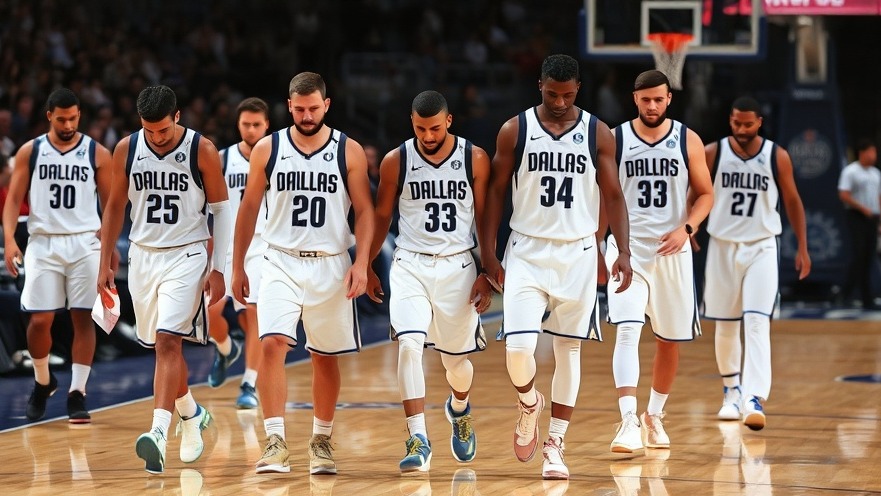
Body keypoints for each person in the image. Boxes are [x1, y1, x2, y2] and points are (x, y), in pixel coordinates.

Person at [482, 54, 633, 479]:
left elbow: (614, 195)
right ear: (540, 86)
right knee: (517, 350)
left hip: (579, 252)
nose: (560, 102)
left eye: (567, 95)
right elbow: (495, 192)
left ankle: (556, 443)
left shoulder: (597, 132)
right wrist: (488, 252)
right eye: (552, 94)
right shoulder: (516, 129)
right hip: (527, 250)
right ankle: (529, 403)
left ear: (578, 90)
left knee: (569, 350)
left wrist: (622, 250)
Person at [231, 72, 375, 475]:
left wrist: (362, 262)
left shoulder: (348, 150)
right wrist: (238, 263)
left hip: (331, 262)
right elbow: (247, 210)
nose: (307, 115)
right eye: (299, 109)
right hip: (279, 259)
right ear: (288, 105)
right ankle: (275, 440)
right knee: (273, 342)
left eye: (313, 108)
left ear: (326, 105)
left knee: (323, 357)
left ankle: (321, 440)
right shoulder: (268, 148)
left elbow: (364, 210)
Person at [97, 85, 232, 474]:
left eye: (163, 130)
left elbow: (222, 212)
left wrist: (218, 267)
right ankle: (191, 415)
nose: (156, 137)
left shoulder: (200, 149)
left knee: (169, 340)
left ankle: (157, 432)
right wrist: (105, 262)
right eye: (148, 130)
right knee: (162, 348)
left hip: (188, 254)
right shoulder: (127, 148)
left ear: (177, 117)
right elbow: (114, 207)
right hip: (142, 256)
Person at [367, 90, 494, 473]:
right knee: (409, 345)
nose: (428, 135)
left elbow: (486, 219)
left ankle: (460, 408)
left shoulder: (474, 158)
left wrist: (488, 272)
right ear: (412, 123)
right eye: (421, 128)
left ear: (449, 121)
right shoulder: (396, 161)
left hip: (458, 266)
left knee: (457, 364)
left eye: (435, 127)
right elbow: (382, 216)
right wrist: (368, 263)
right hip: (409, 265)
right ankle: (417, 437)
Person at [606, 70, 714, 454]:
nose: (652, 105)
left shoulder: (688, 139)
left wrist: (687, 228)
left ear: (669, 99)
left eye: (659, 99)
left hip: (673, 251)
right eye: (645, 99)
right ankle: (628, 421)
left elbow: (705, 194)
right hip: (627, 249)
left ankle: (654, 414)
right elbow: (603, 196)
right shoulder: (614, 138)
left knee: (669, 341)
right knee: (627, 329)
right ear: (634, 98)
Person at [2, 88, 113, 423]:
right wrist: (9, 239)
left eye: (74, 118)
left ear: (80, 115)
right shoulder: (30, 151)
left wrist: (108, 249)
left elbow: (111, 206)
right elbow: (12, 199)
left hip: (84, 243)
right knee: (39, 320)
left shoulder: (97, 152)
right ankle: (42, 380)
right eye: (62, 118)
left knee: (83, 317)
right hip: (43, 242)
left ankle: (77, 393)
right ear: (49, 115)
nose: (68, 124)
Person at [701, 96, 811, 431]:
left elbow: (792, 200)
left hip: (762, 245)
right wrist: (689, 227)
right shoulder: (713, 152)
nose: (742, 129)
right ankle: (731, 390)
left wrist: (803, 247)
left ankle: (754, 397)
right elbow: (695, 192)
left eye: (748, 124)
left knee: (757, 321)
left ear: (760, 122)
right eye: (736, 123)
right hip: (721, 245)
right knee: (726, 323)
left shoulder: (776, 156)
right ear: (730, 120)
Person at [205, 97, 271, 411]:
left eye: (257, 124)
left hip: (260, 245)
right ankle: (226, 348)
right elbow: (208, 208)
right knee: (209, 313)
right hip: (226, 245)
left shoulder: (276, 158)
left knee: (254, 313)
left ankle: (249, 382)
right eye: (246, 123)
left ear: (267, 125)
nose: (251, 129)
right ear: (238, 125)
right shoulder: (221, 159)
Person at [837, 139, 879, 309]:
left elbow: (879, 198)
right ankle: (845, 294)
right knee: (859, 255)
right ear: (862, 153)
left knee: (869, 257)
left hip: (873, 218)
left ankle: (867, 299)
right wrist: (862, 208)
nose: (874, 155)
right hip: (856, 216)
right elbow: (844, 195)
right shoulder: (851, 171)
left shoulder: (876, 173)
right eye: (871, 151)